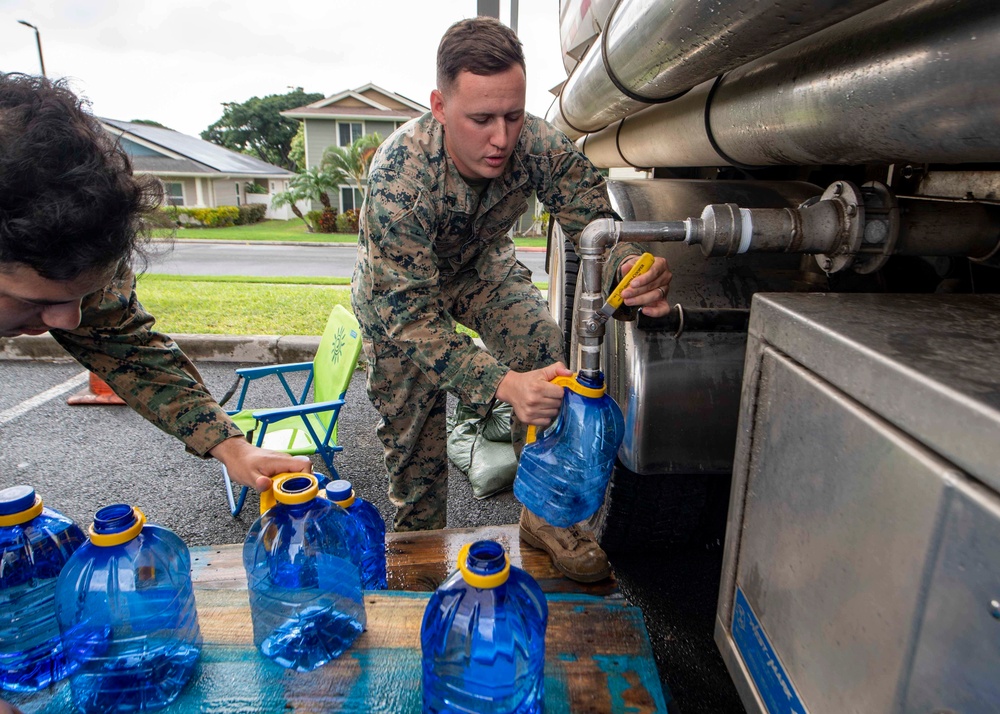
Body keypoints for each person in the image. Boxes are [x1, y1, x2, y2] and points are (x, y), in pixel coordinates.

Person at [352, 17, 672, 582]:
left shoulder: (538, 143)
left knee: (545, 357)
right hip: (401, 303)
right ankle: (419, 565)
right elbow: (408, 315)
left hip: (480, 270)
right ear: (440, 106)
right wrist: (500, 386)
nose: (501, 138)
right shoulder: (398, 181)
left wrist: (631, 270)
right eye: (481, 119)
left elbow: (594, 223)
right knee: (414, 446)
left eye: (513, 115)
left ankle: (544, 517)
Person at [0, 72, 309, 495]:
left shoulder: (80, 260)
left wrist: (233, 447)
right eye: (35, 302)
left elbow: (127, 348)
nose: (68, 321)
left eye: (83, 297)